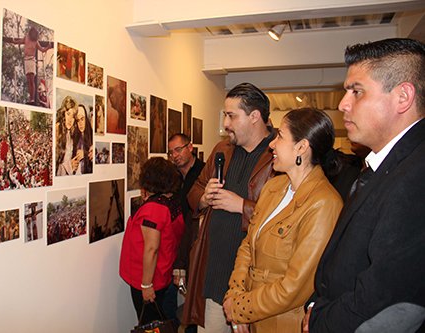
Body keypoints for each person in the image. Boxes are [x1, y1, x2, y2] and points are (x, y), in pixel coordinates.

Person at [303, 38, 425, 333]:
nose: (343, 104)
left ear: (402, 97)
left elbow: (384, 290)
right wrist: (313, 305)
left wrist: (319, 321)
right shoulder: (388, 163)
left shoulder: (417, 173)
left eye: (356, 91)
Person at [222, 108, 343, 333]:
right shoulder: (273, 187)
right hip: (252, 316)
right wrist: (236, 295)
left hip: (283, 323)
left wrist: (240, 308)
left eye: (280, 136)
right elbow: (248, 246)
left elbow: (294, 288)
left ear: (301, 147)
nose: (271, 144)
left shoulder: (324, 203)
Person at [181, 83, 276, 332]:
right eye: (225, 115)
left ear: (255, 116)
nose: (225, 123)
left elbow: (287, 217)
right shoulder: (222, 149)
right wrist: (204, 198)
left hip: (255, 283)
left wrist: (242, 206)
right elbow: (194, 192)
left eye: (231, 115)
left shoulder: (278, 155)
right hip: (214, 275)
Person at [120, 157, 185, 325]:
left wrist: (146, 285)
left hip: (149, 279)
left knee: (150, 325)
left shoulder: (153, 209)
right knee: (163, 320)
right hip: (163, 274)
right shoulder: (171, 202)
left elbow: (151, 249)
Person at [165, 133, 206, 332]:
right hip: (177, 244)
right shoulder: (173, 176)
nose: (175, 155)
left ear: (190, 147)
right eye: (171, 152)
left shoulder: (205, 173)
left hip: (197, 244)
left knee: (196, 302)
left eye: (178, 149)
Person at [4, 26, 52, 105]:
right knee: (28, 80)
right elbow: (19, 41)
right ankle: (31, 98)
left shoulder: (35, 42)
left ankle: (32, 98)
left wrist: (48, 47)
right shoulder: (26, 38)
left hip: (32, 60)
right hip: (26, 60)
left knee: (32, 80)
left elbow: (42, 50)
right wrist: (14, 41)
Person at [55, 96, 78, 176]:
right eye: (68, 114)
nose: (70, 119)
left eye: (73, 117)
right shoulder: (57, 129)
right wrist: (69, 166)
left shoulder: (71, 133)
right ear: (63, 113)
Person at [72, 104, 93, 174]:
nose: (80, 123)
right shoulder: (75, 137)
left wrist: (84, 154)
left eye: (82, 119)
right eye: (78, 120)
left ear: (86, 119)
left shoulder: (91, 135)